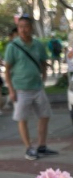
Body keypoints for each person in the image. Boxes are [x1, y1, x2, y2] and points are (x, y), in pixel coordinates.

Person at [4, 15, 56, 160]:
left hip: (37, 87)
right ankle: (29, 148)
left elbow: (43, 63)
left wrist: (44, 78)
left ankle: (42, 146)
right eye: (20, 27)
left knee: (44, 115)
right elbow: (7, 70)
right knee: (22, 119)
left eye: (26, 26)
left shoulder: (38, 45)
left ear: (31, 28)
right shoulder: (13, 47)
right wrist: (11, 90)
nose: (23, 30)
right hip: (20, 89)